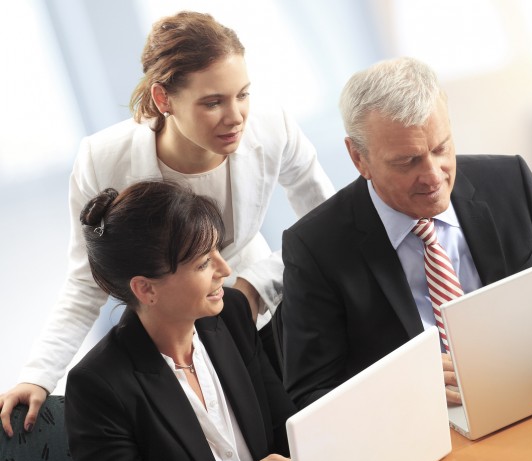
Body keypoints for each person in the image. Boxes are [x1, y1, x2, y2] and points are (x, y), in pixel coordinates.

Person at [0, 11, 334, 436]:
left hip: (259, 316)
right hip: (169, 340)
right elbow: (88, 280)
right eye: (213, 102)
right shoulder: (104, 159)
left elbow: (324, 226)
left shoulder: (272, 127)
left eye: (243, 95)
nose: (236, 117)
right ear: (163, 99)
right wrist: (38, 374)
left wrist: (254, 286)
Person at [274, 57, 532, 409]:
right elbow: (310, 396)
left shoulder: (510, 182)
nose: (434, 175)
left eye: (441, 149)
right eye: (407, 161)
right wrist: (407, 384)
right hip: (423, 429)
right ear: (359, 158)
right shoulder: (315, 247)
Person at [65, 180, 297, 461]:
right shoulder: (98, 386)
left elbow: (287, 432)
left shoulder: (232, 316)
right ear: (146, 289)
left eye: (218, 250)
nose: (225, 270)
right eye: (203, 264)